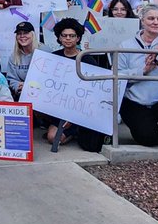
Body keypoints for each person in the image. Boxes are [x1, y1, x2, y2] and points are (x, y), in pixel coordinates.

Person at [117, 3, 158, 147]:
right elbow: (119, 75)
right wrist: (143, 70)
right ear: (142, 20)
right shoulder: (126, 45)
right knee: (149, 139)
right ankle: (155, 132)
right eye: (151, 18)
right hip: (135, 101)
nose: (155, 22)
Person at [46, 18, 111, 152]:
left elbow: (94, 90)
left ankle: (78, 129)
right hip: (59, 109)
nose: (68, 39)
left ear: (78, 38)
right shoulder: (54, 57)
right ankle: (67, 131)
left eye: (72, 36)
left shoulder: (87, 59)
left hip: (81, 110)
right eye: (64, 35)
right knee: (52, 138)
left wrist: (75, 116)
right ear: (59, 38)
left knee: (57, 137)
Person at [3, 22, 36, 98]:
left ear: (33, 34)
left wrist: (29, 86)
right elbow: (11, 79)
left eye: (26, 33)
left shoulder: (44, 51)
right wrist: (18, 86)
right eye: (19, 33)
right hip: (23, 95)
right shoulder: (14, 56)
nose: (22, 36)